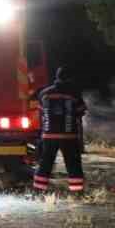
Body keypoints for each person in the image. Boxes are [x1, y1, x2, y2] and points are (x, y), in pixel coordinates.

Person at [33, 66, 87, 196]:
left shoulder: (44, 93)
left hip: (48, 136)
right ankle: (77, 194)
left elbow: (41, 113)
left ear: (57, 77)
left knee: (45, 164)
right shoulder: (74, 93)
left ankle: (38, 192)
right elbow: (81, 112)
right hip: (68, 136)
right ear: (69, 78)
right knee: (73, 165)